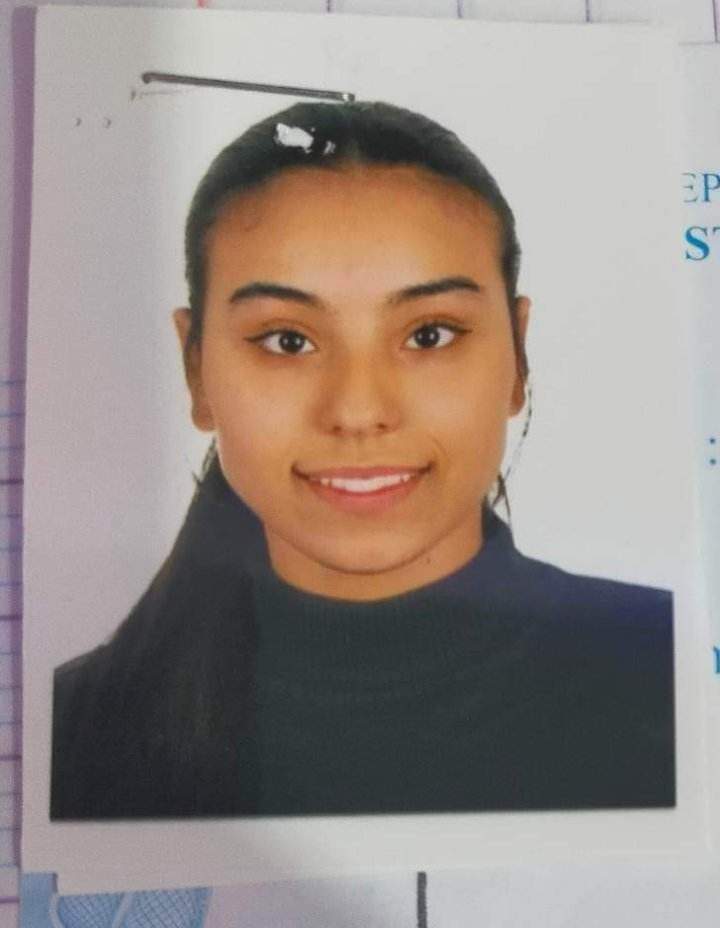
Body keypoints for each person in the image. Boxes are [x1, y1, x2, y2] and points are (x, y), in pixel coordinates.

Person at [51, 101, 674, 820]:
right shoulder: (71, 736)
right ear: (197, 373)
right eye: (287, 341)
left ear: (518, 358)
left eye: (430, 334)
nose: (356, 411)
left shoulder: (670, 672)